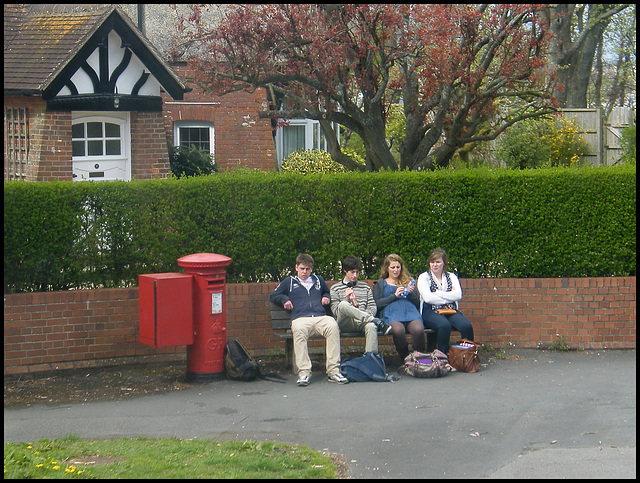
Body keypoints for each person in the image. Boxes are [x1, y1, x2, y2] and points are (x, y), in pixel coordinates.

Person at [269, 253, 349, 386]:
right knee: (298, 330)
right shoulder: (289, 282)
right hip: (300, 318)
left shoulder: (318, 280)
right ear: (296, 268)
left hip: (320, 317)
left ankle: (333, 370)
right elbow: (274, 295)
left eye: (307, 269)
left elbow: (326, 291)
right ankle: (304, 372)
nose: (304, 272)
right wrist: (285, 299)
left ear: (311, 269)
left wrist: (325, 296)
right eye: (302, 269)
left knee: (333, 326)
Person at [330, 255, 392, 354]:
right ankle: (374, 320)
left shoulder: (365, 287)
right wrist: (347, 297)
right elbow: (336, 311)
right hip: (345, 322)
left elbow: (372, 306)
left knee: (371, 327)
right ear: (345, 271)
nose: (355, 275)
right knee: (343, 305)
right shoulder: (335, 288)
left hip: (361, 321)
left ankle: (370, 360)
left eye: (357, 272)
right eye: (352, 272)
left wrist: (363, 314)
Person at [417, 248, 474, 354]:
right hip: (430, 311)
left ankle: (467, 357)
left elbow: (458, 295)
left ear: (444, 263)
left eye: (438, 262)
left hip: (450, 310)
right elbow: (428, 298)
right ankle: (442, 358)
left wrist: (438, 294)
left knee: (466, 326)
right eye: (432, 262)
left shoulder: (451, 276)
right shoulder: (424, 277)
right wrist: (448, 297)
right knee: (444, 325)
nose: (435, 265)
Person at [373, 254, 425, 360]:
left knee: (419, 329)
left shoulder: (408, 281)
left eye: (398, 267)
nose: (396, 270)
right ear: (387, 268)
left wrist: (411, 293)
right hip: (392, 314)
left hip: (410, 313)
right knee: (398, 330)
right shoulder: (380, 283)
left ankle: (419, 357)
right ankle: (405, 357)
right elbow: (377, 303)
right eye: (392, 267)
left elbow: (417, 303)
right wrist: (394, 296)